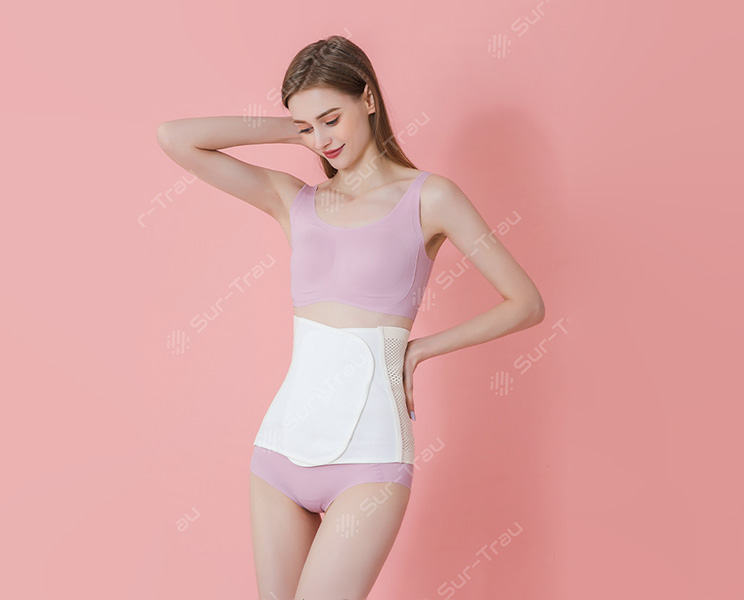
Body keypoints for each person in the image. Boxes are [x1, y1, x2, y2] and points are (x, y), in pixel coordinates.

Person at [157, 34, 544, 600]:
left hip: (370, 456)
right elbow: (175, 137)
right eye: (308, 127)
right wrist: (293, 128)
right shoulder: (293, 199)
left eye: (332, 118)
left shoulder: (430, 198)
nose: (323, 139)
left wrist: (420, 348)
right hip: (280, 450)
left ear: (368, 98)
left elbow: (526, 303)